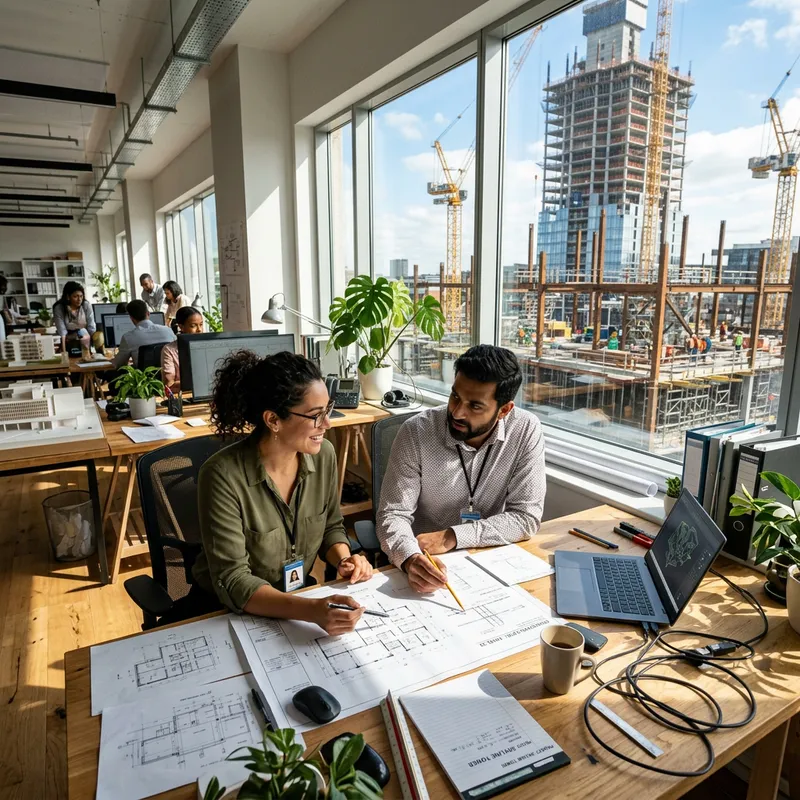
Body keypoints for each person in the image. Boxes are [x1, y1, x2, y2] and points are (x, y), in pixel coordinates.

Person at [190, 351, 373, 631]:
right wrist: (311, 610)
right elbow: (234, 579)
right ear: (273, 420)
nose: (327, 424)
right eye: (316, 415)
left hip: (298, 600)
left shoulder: (323, 455)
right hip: (226, 614)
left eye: (328, 409)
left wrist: (344, 558)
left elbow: (331, 527)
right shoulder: (222, 476)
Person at [376, 344, 546, 594]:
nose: (457, 412)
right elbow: (393, 515)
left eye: (474, 406)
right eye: (455, 396)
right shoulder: (416, 432)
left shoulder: (525, 430)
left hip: (487, 560)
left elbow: (525, 517)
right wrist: (410, 558)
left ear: (504, 410)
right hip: (425, 562)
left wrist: (452, 536)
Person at [110, 299, 175, 369]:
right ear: (148, 313)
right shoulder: (168, 331)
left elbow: (119, 364)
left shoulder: (128, 337)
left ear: (131, 318)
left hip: (143, 378)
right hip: (168, 375)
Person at [53, 281, 104, 357]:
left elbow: (91, 327)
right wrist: (64, 354)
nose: (79, 299)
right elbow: (62, 332)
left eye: (81, 296)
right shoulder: (59, 308)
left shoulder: (86, 305)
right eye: (75, 296)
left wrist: (92, 350)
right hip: (68, 342)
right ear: (68, 296)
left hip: (85, 341)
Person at [160, 306, 204, 391]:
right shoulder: (169, 350)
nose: (199, 330)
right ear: (181, 327)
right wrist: (199, 384)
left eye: (201, 325)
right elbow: (169, 384)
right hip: (184, 395)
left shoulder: (207, 345)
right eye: (193, 326)